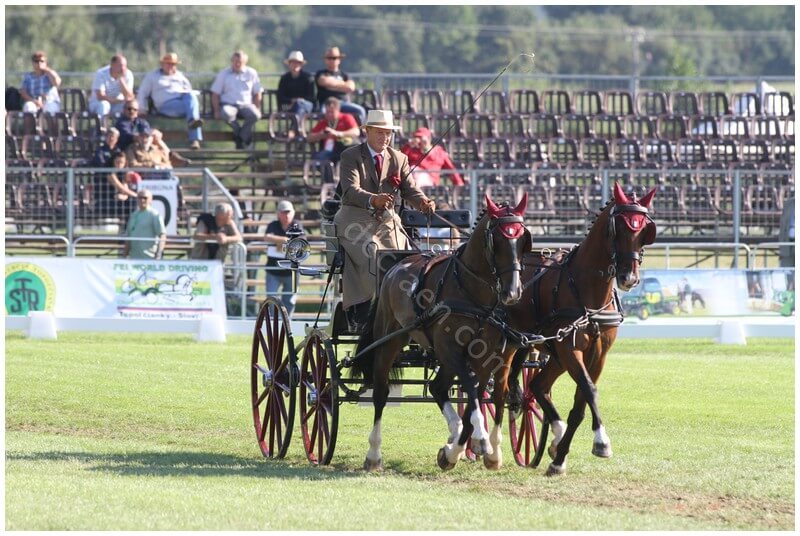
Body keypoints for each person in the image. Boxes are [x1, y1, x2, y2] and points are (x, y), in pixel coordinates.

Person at [334, 109, 435, 329]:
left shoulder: (399, 158)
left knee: (404, 260)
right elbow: (350, 190)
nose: (385, 137)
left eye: (388, 133)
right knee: (374, 257)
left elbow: (410, 189)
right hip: (354, 220)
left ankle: (405, 310)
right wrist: (373, 199)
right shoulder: (350, 156)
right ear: (367, 132)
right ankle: (364, 310)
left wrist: (423, 202)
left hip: (387, 221)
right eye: (380, 132)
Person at [137, 52, 203, 149]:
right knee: (193, 113)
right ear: (162, 64)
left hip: (182, 103)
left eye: (173, 64)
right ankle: (194, 133)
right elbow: (143, 92)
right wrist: (142, 109)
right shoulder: (152, 76)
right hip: (165, 105)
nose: (170, 66)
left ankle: (194, 138)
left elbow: (189, 90)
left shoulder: (180, 76)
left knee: (191, 96)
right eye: (168, 63)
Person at [210, 50, 263, 149]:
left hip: (246, 105)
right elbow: (215, 94)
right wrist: (216, 110)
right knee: (225, 113)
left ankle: (240, 136)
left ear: (245, 62)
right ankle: (241, 135)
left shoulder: (251, 73)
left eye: (240, 62)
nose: (237, 64)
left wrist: (257, 107)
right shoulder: (223, 74)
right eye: (235, 61)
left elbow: (257, 93)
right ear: (232, 61)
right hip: (228, 104)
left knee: (256, 115)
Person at [264, 200, 304, 317]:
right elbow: (267, 237)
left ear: (293, 213)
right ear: (278, 214)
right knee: (271, 299)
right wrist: (284, 240)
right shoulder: (273, 225)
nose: (286, 215)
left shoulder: (297, 225)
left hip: (292, 272)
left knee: (289, 301)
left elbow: (301, 240)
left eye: (288, 212)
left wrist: (280, 242)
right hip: (273, 270)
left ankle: (286, 323)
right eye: (283, 212)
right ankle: (272, 323)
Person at [315, 46, 366, 125]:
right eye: (329, 58)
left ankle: (360, 131)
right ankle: (324, 132)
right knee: (323, 113)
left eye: (334, 58)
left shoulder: (344, 75)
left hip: (343, 103)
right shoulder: (321, 73)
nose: (332, 60)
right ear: (325, 60)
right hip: (326, 103)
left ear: (339, 60)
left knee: (360, 110)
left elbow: (350, 87)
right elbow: (323, 81)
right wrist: (343, 85)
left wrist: (331, 85)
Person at [400, 127, 465, 187]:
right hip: (412, 180)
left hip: (430, 184)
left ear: (429, 139)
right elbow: (399, 161)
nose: (419, 141)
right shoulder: (411, 151)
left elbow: (451, 169)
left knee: (419, 175)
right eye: (416, 138)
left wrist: (459, 184)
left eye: (421, 138)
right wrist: (409, 146)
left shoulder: (439, 152)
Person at [306, 97, 360, 168]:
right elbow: (309, 138)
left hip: (342, 149)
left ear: (338, 110)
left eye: (332, 112)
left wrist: (339, 133)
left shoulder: (346, 117)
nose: (329, 114)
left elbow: (356, 132)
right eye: (327, 112)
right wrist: (321, 135)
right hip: (328, 152)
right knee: (319, 159)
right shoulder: (323, 122)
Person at [124, 189, 166, 260]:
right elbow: (129, 237)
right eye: (140, 197)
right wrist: (125, 255)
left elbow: (162, 235)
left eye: (145, 198)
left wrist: (158, 254)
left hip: (150, 258)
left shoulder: (154, 215)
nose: (142, 200)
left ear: (151, 200)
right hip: (133, 259)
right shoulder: (133, 215)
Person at [277, 50, 316, 118]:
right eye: (293, 62)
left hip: (306, 105)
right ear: (289, 64)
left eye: (298, 63)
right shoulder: (284, 78)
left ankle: (295, 124)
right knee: (298, 108)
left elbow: (311, 97)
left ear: (301, 65)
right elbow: (280, 96)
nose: (295, 65)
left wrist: (301, 100)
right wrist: (292, 100)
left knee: (300, 106)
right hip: (289, 106)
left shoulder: (308, 78)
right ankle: (297, 124)